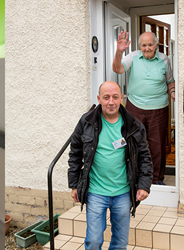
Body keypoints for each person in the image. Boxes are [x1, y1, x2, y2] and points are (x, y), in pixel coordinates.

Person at [68, 81, 152, 250]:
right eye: (106, 97)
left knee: (120, 243)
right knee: (93, 242)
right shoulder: (86, 122)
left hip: (123, 192)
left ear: (122, 98)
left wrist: (144, 185)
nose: (111, 102)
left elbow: (144, 157)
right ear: (99, 99)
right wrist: (74, 184)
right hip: (95, 192)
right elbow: (75, 153)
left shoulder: (134, 126)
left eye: (115, 97)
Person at [112, 31, 175, 185]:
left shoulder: (164, 59)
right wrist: (120, 51)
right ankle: (136, 178)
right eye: (144, 45)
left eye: (150, 44)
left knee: (157, 146)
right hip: (135, 107)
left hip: (159, 108)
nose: (147, 48)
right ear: (140, 46)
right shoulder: (132, 57)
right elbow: (117, 69)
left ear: (156, 45)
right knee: (134, 142)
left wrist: (173, 93)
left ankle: (157, 180)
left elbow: (170, 81)